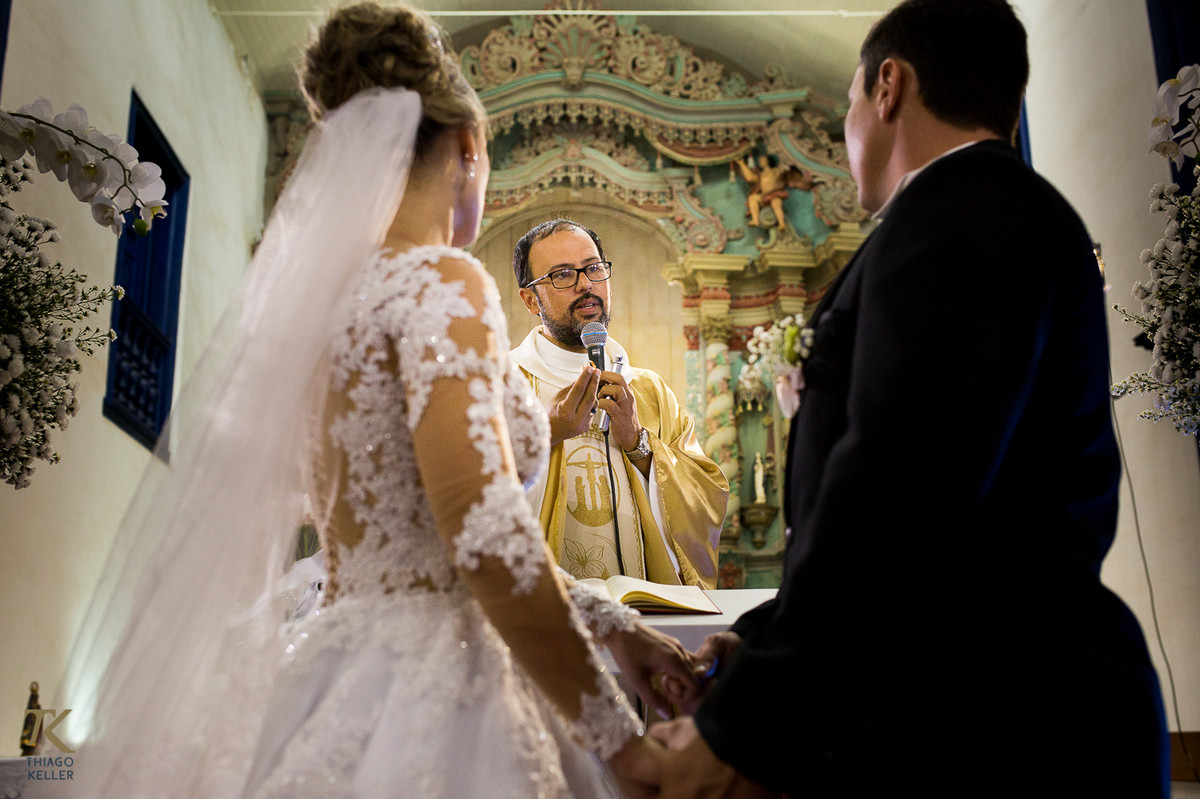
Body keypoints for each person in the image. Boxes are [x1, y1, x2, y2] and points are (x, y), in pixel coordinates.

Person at [51, 4, 700, 797]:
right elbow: (484, 536)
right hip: (442, 686)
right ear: (468, 146)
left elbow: (422, 541)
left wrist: (617, 628)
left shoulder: (318, 310)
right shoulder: (437, 280)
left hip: (338, 671)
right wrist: (620, 741)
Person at [650, 1, 1170, 796]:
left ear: (888, 86)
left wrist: (741, 726)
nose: (849, 126)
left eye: (850, 103)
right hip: (971, 703)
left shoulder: (968, 213)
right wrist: (759, 639)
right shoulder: (971, 214)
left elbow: (899, 487)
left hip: (1007, 719)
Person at [510, 218, 728, 588]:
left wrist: (639, 445)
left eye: (593, 268)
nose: (585, 284)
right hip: (546, 612)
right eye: (563, 275)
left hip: (644, 609)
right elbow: (459, 500)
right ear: (531, 299)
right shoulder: (501, 385)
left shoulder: (649, 390)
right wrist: (545, 435)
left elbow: (706, 498)